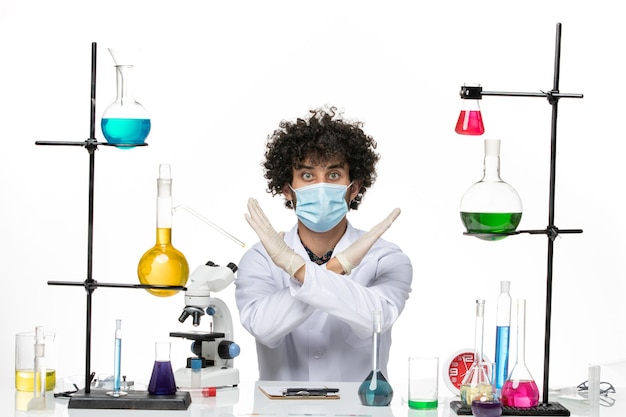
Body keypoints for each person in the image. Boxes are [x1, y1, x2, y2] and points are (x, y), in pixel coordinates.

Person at [235, 106, 413, 382]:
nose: (320, 186)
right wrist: (335, 269)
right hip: (281, 410)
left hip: (359, 410)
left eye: (333, 175)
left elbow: (375, 320)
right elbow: (264, 328)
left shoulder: (386, 258)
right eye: (307, 176)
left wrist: (299, 269)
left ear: (353, 188)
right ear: (287, 189)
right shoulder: (259, 259)